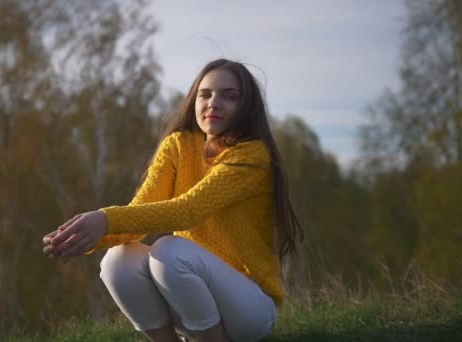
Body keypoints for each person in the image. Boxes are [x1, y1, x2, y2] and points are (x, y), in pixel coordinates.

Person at [42, 58, 303, 342]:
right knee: (118, 261)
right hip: (189, 298)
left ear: (246, 107)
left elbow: (188, 210)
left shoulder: (252, 156)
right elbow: (139, 215)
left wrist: (104, 220)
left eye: (229, 96)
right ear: (194, 100)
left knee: (170, 251)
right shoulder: (178, 145)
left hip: (249, 310)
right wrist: (82, 239)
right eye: (205, 94)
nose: (213, 103)